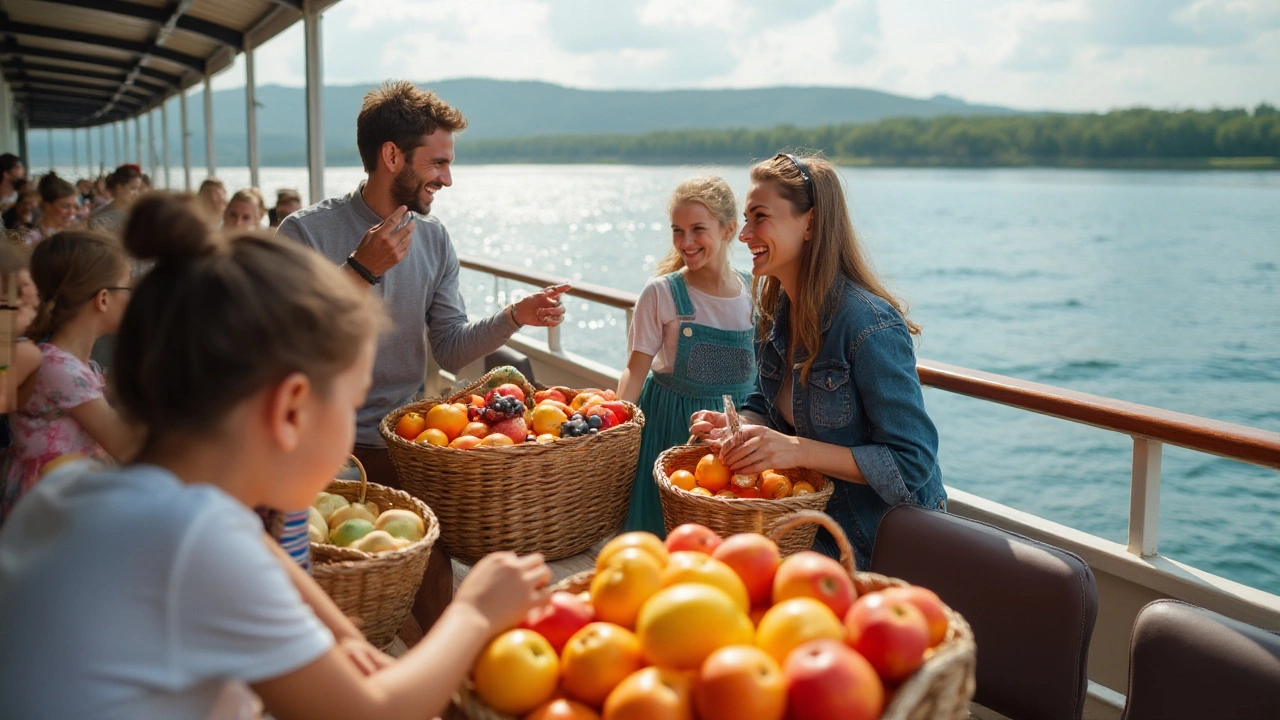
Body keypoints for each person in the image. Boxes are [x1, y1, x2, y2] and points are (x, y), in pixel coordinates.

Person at [0, 194, 552, 720]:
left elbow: (257, 552)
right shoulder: (193, 539)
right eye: (352, 400)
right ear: (291, 408)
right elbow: (371, 713)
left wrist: (338, 638)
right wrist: (474, 612)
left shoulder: (70, 494)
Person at [277, 80, 567, 633]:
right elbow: (282, 347)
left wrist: (515, 316)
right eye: (437, 163)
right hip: (320, 451)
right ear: (392, 157)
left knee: (434, 572)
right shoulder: (304, 233)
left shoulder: (434, 239)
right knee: (338, 605)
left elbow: (453, 348)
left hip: (405, 438)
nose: (447, 179)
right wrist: (358, 272)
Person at [690, 153, 946, 569]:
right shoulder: (773, 313)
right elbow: (765, 401)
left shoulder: (868, 324)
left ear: (809, 223)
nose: (744, 234)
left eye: (759, 217)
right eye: (746, 218)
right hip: (810, 534)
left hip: (881, 549)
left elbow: (911, 462)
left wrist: (794, 450)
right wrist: (742, 427)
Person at [617, 176, 755, 535]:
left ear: (728, 230)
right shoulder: (661, 293)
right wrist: (614, 429)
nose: (686, 242)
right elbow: (635, 370)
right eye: (678, 230)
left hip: (738, 426)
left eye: (698, 229)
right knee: (666, 531)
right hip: (670, 426)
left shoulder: (758, 290)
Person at [1, 230, 143, 522]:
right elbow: (125, 445)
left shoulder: (66, 363)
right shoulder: (61, 370)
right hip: (55, 513)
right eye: (127, 289)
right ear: (103, 299)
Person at [22, 173, 80, 246]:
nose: (71, 212)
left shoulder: (74, 233)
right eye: (65, 206)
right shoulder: (32, 239)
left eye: (75, 207)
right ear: (48, 205)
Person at [87, 164, 145, 236]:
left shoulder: (141, 214)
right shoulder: (99, 216)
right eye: (133, 188)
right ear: (119, 188)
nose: (137, 193)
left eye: (138, 189)